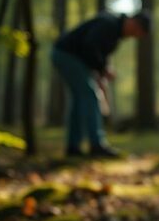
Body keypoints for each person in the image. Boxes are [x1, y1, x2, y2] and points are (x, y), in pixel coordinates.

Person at [52, 10, 151, 157]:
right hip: (67, 55)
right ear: (133, 22)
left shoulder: (116, 35)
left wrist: (100, 73)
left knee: (80, 99)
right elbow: (90, 46)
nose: (134, 36)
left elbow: (98, 54)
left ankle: (73, 147)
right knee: (90, 95)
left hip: (70, 57)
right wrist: (103, 69)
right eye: (136, 32)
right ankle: (96, 144)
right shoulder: (109, 24)